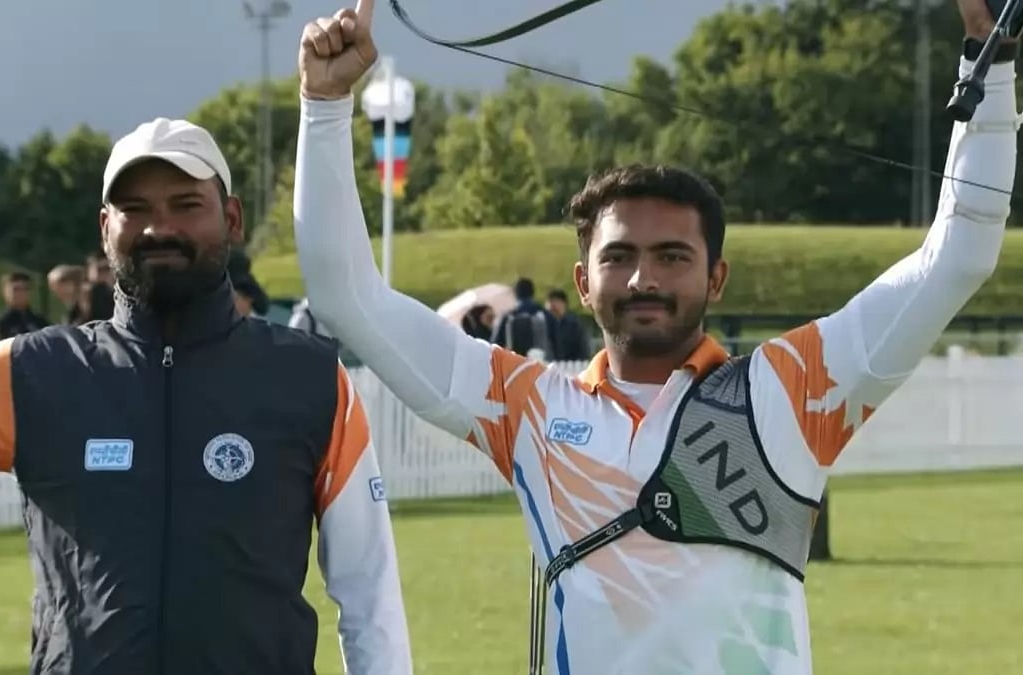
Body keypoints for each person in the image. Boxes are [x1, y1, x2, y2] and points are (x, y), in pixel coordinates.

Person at [291, 1, 1015, 672]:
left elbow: (957, 256)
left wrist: (992, 56)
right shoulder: (529, 409)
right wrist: (324, 108)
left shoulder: (790, 389)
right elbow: (346, 296)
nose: (644, 279)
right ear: (582, 282)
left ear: (717, 277)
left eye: (673, 256)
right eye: (619, 256)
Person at [0, 115, 410, 674]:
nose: (159, 227)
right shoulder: (37, 374)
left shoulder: (308, 378)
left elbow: (368, 592)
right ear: (105, 227)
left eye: (186, 205)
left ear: (231, 218)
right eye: (135, 209)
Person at [490, 277, 557, 360]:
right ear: (532, 292)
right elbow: (557, 342)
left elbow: (494, 346)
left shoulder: (507, 317)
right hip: (542, 364)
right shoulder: (545, 315)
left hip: (515, 365)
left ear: (515, 294)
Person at [0, 271, 49, 339]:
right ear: (5, 292)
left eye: (25, 289)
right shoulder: (2, 322)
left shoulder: (40, 321)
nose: (21, 293)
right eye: (16, 289)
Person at [545, 288, 591, 362]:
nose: (552, 306)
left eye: (555, 302)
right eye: (550, 302)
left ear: (564, 304)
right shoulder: (543, 325)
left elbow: (583, 350)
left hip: (572, 367)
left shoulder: (574, 325)